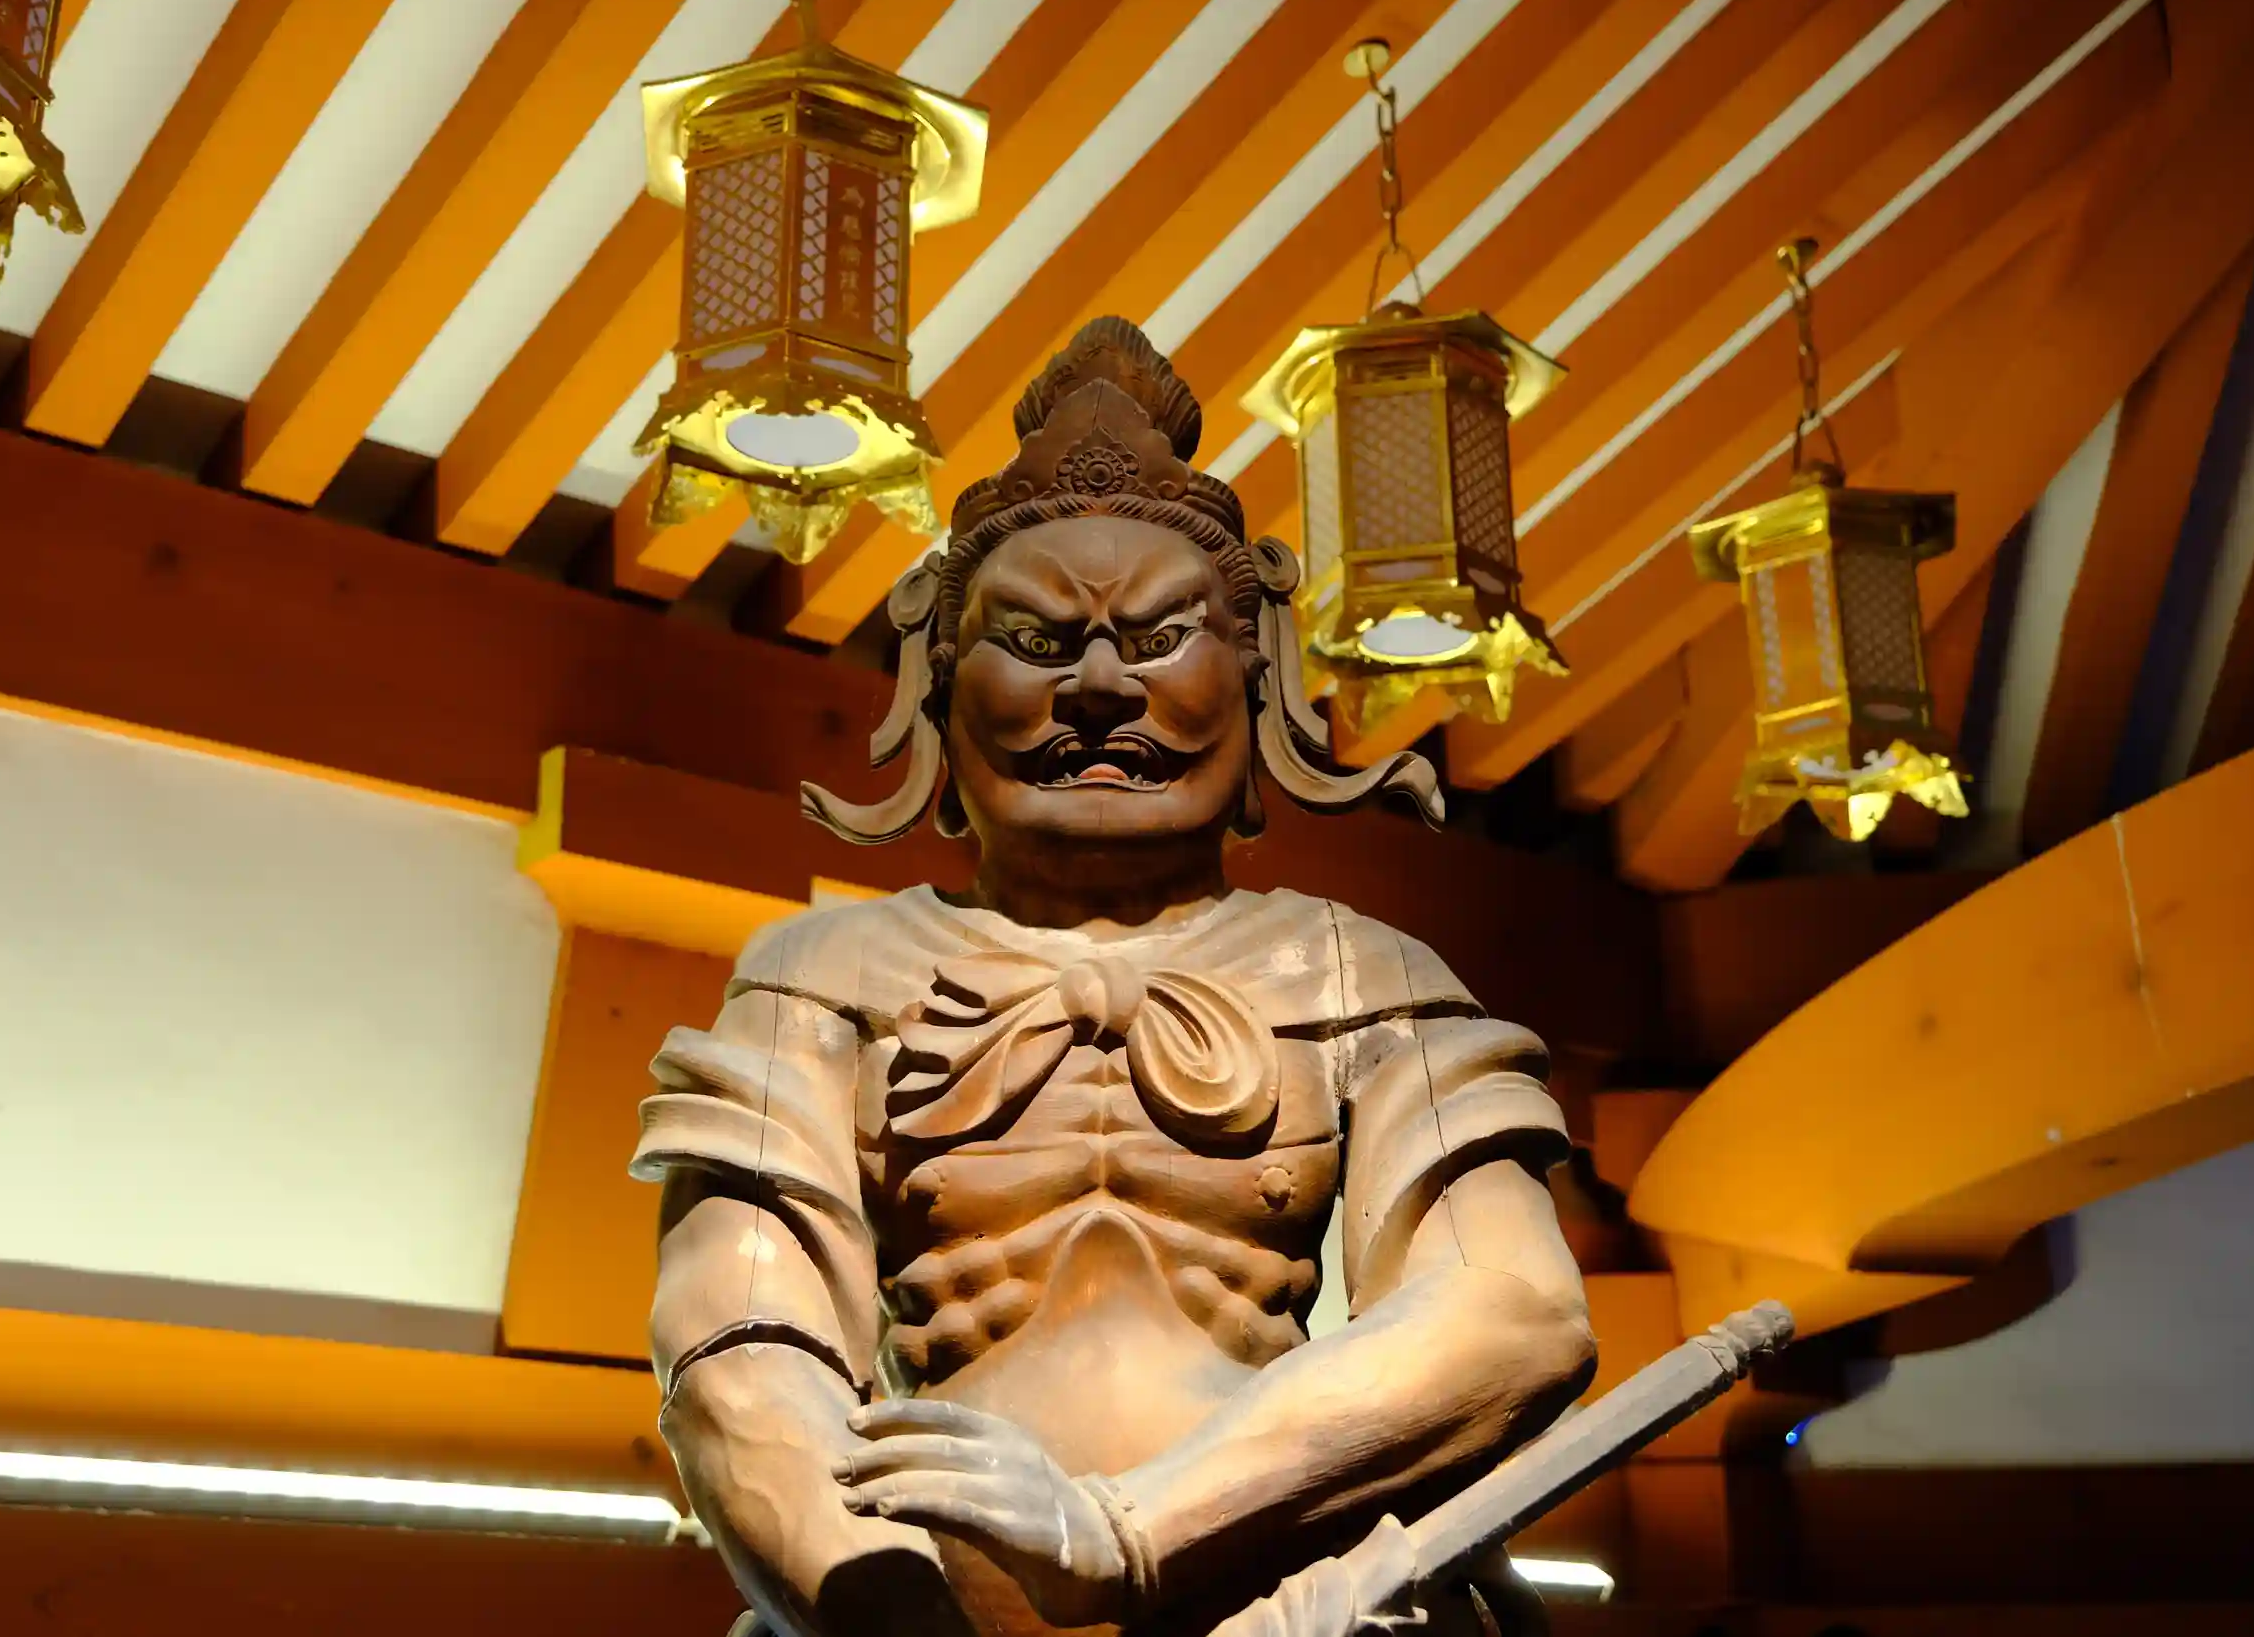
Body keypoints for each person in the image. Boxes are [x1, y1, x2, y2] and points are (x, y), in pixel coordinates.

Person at [633, 318, 1594, 1637]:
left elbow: (1511, 1306)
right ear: (937, 687)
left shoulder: (1356, 971)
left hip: (1283, 1594)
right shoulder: (828, 974)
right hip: (917, 1601)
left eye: (1157, 639)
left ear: (1259, 681)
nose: (1096, 688)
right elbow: (735, 1336)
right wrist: (884, 1613)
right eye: (1034, 642)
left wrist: (1134, 1530)